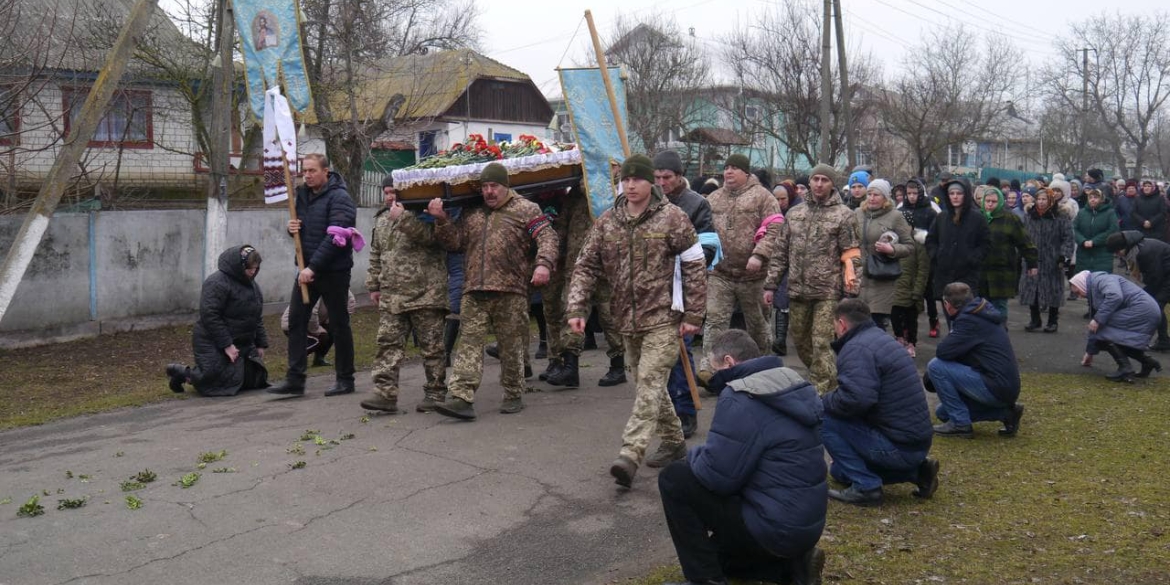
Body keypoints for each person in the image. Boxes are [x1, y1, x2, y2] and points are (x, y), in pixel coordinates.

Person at [567, 154, 706, 487]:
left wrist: (694, 314)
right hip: (625, 319)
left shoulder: (673, 218)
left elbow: (695, 265)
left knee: (649, 380)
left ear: (652, 183)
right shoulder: (608, 222)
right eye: (626, 180)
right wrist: (577, 308)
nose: (630, 186)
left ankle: (630, 453)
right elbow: (586, 266)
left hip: (663, 318)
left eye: (637, 180)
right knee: (648, 386)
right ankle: (674, 443)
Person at [658, 329, 825, 585]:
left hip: (773, 526)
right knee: (719, 554)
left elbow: (716, 477)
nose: (713, 378)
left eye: (714, 370)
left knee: (675, 478)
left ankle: (706, 581)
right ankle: (792, 567)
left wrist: (696, 454)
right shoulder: (792, 382)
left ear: (728, 362)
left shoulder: (741, 395)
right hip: (804, 525)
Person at [426, 163, 559, 419]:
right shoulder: (472, 211)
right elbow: (455, 242)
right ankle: (461, 397)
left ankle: (513, 392)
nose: (489, 192)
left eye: (494, 186)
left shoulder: (526, 210)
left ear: (505, 186)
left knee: (511, 346)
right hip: (474, 289)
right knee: (469, 344)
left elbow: (548, 238)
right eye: (485, 187)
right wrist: (441, 220)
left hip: (511, 290)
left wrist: (543, 265)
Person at [822, 299, 936, 506]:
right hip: (914, 442)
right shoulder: (880, 339)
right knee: (838, 471)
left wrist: (823, 400)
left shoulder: (856, 349)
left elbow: (855, 400)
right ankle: (917, 472)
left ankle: (866, 488)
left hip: (898, 446)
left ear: (842, 324)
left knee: (822, 415)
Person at [764, 163, 861, 394]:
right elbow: (780, 251)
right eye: (815, 179)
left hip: (828, 291)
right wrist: (771, 285)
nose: (819, 184)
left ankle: (819, 394)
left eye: (824, 180)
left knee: (821, 343)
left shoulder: (843, 215)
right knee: (801, 342)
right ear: (809, 182)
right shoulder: (795, 214)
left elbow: (852, 256)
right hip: (797, 290)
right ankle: (832, 382)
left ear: (832, 183)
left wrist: (851, 291)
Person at [268, 154, 358, 397]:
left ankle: (345, 379)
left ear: (325, 171)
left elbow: (336, 239)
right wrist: (292, 229)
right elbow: (305, 231)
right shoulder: (303, 196)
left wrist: (313, 268)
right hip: (306, 269)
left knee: (339, 324)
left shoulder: (340, 198)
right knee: (297, 321)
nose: (307, 175)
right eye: (304, 171)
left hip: (333, 272)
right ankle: (295, 379)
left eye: (312, 171)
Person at [362, 175, 449, 414]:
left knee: (431, 347)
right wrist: (373, 285)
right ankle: (385, 394)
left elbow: (435, 240)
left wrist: (402, 219)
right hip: (392, 295)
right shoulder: (381, 220)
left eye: (395, 192)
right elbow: (376, 254)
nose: (390, 197)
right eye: (387, 192)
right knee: (387, 344)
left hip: (425, 293)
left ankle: (435, 392)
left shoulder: (423, 214)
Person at [655, 150, 719, 437]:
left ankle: (686, 411)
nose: (661, 182)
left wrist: (680, 264)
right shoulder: (651, 202)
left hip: (685, 290)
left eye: (666, 177)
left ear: (679, 176)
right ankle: (665, 412)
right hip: (654, 291)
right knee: (658, 357)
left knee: (681, 355)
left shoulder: (697, 205)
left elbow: (707, 248)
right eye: (656, 177)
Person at [699, 153, 780, 381]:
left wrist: (759, 254)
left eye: (734, 168)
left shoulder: (763, 197)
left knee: (757, 325)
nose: (729, 172)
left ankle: (761, 367)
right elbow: (704, 229)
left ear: (746, 173)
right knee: (715, 320)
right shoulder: (714, 198)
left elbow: (775, 228)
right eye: (726, 168)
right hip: (721, 274)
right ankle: (710, 369)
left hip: (753, 276)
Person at [167, 245, 270, 396]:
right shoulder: (216, 282)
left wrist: (260, 343)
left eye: (256, 268)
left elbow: (256, 316)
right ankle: (181, 373)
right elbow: (210, 315)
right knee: (211, 379)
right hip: (211, 339)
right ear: (239, 266)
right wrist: (227, 344)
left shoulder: (253, 286)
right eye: (249, 268)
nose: (253, 272)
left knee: (252, 379)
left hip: (241, 340)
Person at [928, 282, 1024, 439]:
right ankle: (1005, 414)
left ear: (947, 304)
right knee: (943, 413)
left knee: (936, 366)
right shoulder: (980, 312)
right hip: (1005, 385)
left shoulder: (968, 320)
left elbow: (943, 351)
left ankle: (960, 425)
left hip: (996, 386)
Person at [539, 186, 593, 388]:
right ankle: (561, 362)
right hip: (570, 261)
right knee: (557, 310)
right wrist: (553, 254)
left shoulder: (605, 192)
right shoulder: (574, 197)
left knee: (582, 311)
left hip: (590, 264)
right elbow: (562, 226)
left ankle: (574, 366)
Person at [1070, 271, 1162, 382]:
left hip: (1141, 310)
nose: (1079, 296)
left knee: (1104, 332)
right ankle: (1147, 362)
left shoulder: (1101, 280)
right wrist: (1089, 353)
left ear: (1081, 284)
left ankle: (1125, 368)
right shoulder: (1097, 285)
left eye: (1078, 292)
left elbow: (1115, 296)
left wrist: (1097, 320)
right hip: (1147, 310)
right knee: (1118, 338)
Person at [925, 178, 990, 328]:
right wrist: (936, 255)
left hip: (967, 275)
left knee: (967, 317)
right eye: (951, 193)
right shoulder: (942, 217)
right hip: (945, 275)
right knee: (950, 318)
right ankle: (955, 346)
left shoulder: (977, 218)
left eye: (959, 193)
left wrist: (973, 258)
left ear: (966, 195)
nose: (955, 196)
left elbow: (985, 243)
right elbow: (931, 240)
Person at [855, 179, 913, 330]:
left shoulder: (895, 216)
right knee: (856, 326)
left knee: (875, 325)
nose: (872, 198)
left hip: (882, 278)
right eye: (869, 194)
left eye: (877, 195)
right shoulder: (858, 213)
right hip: (858, 278)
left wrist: (892, 250)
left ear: (886, 198)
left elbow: (909, 246)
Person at [979, 187, 1037, 325]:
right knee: (980, 307)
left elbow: (1025, 242)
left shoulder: (1010, 219)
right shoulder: (977, 218)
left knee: (999, 307)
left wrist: (1032, 262)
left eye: (994, 201)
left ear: (1000, 202)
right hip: (979, 271)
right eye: (987, 201)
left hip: (1002, 271)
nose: (990, 204)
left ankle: (1000, 335)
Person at [1020, 188, 1075, 333]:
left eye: (1044, 199)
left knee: (1053, 290)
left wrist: (1064, 256)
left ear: (1050, 200)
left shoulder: (1060, 216)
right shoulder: (1029, 216)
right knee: (1032, 289)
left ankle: (1052, 321)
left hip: (1053, 258)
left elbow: (1068, 238)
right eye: (1038, 199)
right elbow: (1022, 237)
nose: (1041, 202)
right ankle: (1035, 319)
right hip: (1033, 258)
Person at [1106, 230, 1170, 351]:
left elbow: (1155, 277)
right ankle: (1163, 340)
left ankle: (1160, 340)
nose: (1118, 254)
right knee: (1153, 304)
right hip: (1163, 276)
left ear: (1124, 246)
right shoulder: (1136, 249)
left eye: (1117, 251)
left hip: (1166, 278)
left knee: (1155, 306)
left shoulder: (1144, 252)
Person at [899, 178, 941, 337]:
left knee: (928, 291)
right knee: (907, 290)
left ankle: (934, 320)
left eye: (915, 193)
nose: (911, 196)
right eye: (908, 193)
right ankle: (906, 323)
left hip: (925, 254)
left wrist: (924, 237)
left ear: (921, 193)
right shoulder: (901, 211)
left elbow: (935, 233)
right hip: (907, 255)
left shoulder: (929, 211)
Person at [279, 290, 356, 368]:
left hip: (313, 322)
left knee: (333, 330)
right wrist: (317, 330)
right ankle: (295, 360)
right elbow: (312, 313)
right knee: (321, 337)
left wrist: (336, 320)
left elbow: (351, 302)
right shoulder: (316, 289)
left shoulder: (340, 286)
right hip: (294, 325)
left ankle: (319, 359)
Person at [1072, 188, 1119, 283]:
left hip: (1102, 252)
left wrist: (1095, 241)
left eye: (1096, 197)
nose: (1093, 200)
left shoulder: (1110, 213)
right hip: (1083, 252)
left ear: (1101, 199)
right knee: (1085, 283)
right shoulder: (1082, 213)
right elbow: (1074, 229)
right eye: (1090, 197)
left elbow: (1113, 229)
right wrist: (1082, 240)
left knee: (1101, 281)